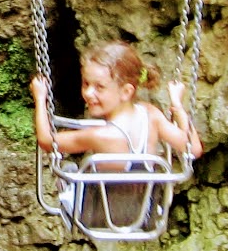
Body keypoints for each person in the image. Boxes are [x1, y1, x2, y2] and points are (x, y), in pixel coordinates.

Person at [29, 41, 201, 163]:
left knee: (70, 169)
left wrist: (40, 98)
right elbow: (193, 149)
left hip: (101, 212)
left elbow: (46, 141)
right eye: (86, 83)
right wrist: (177, 105)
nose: (89, 93)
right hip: (146, 210)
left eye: (100, 87)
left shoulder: (100, 135)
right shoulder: (151, 114)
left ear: (126, 91)